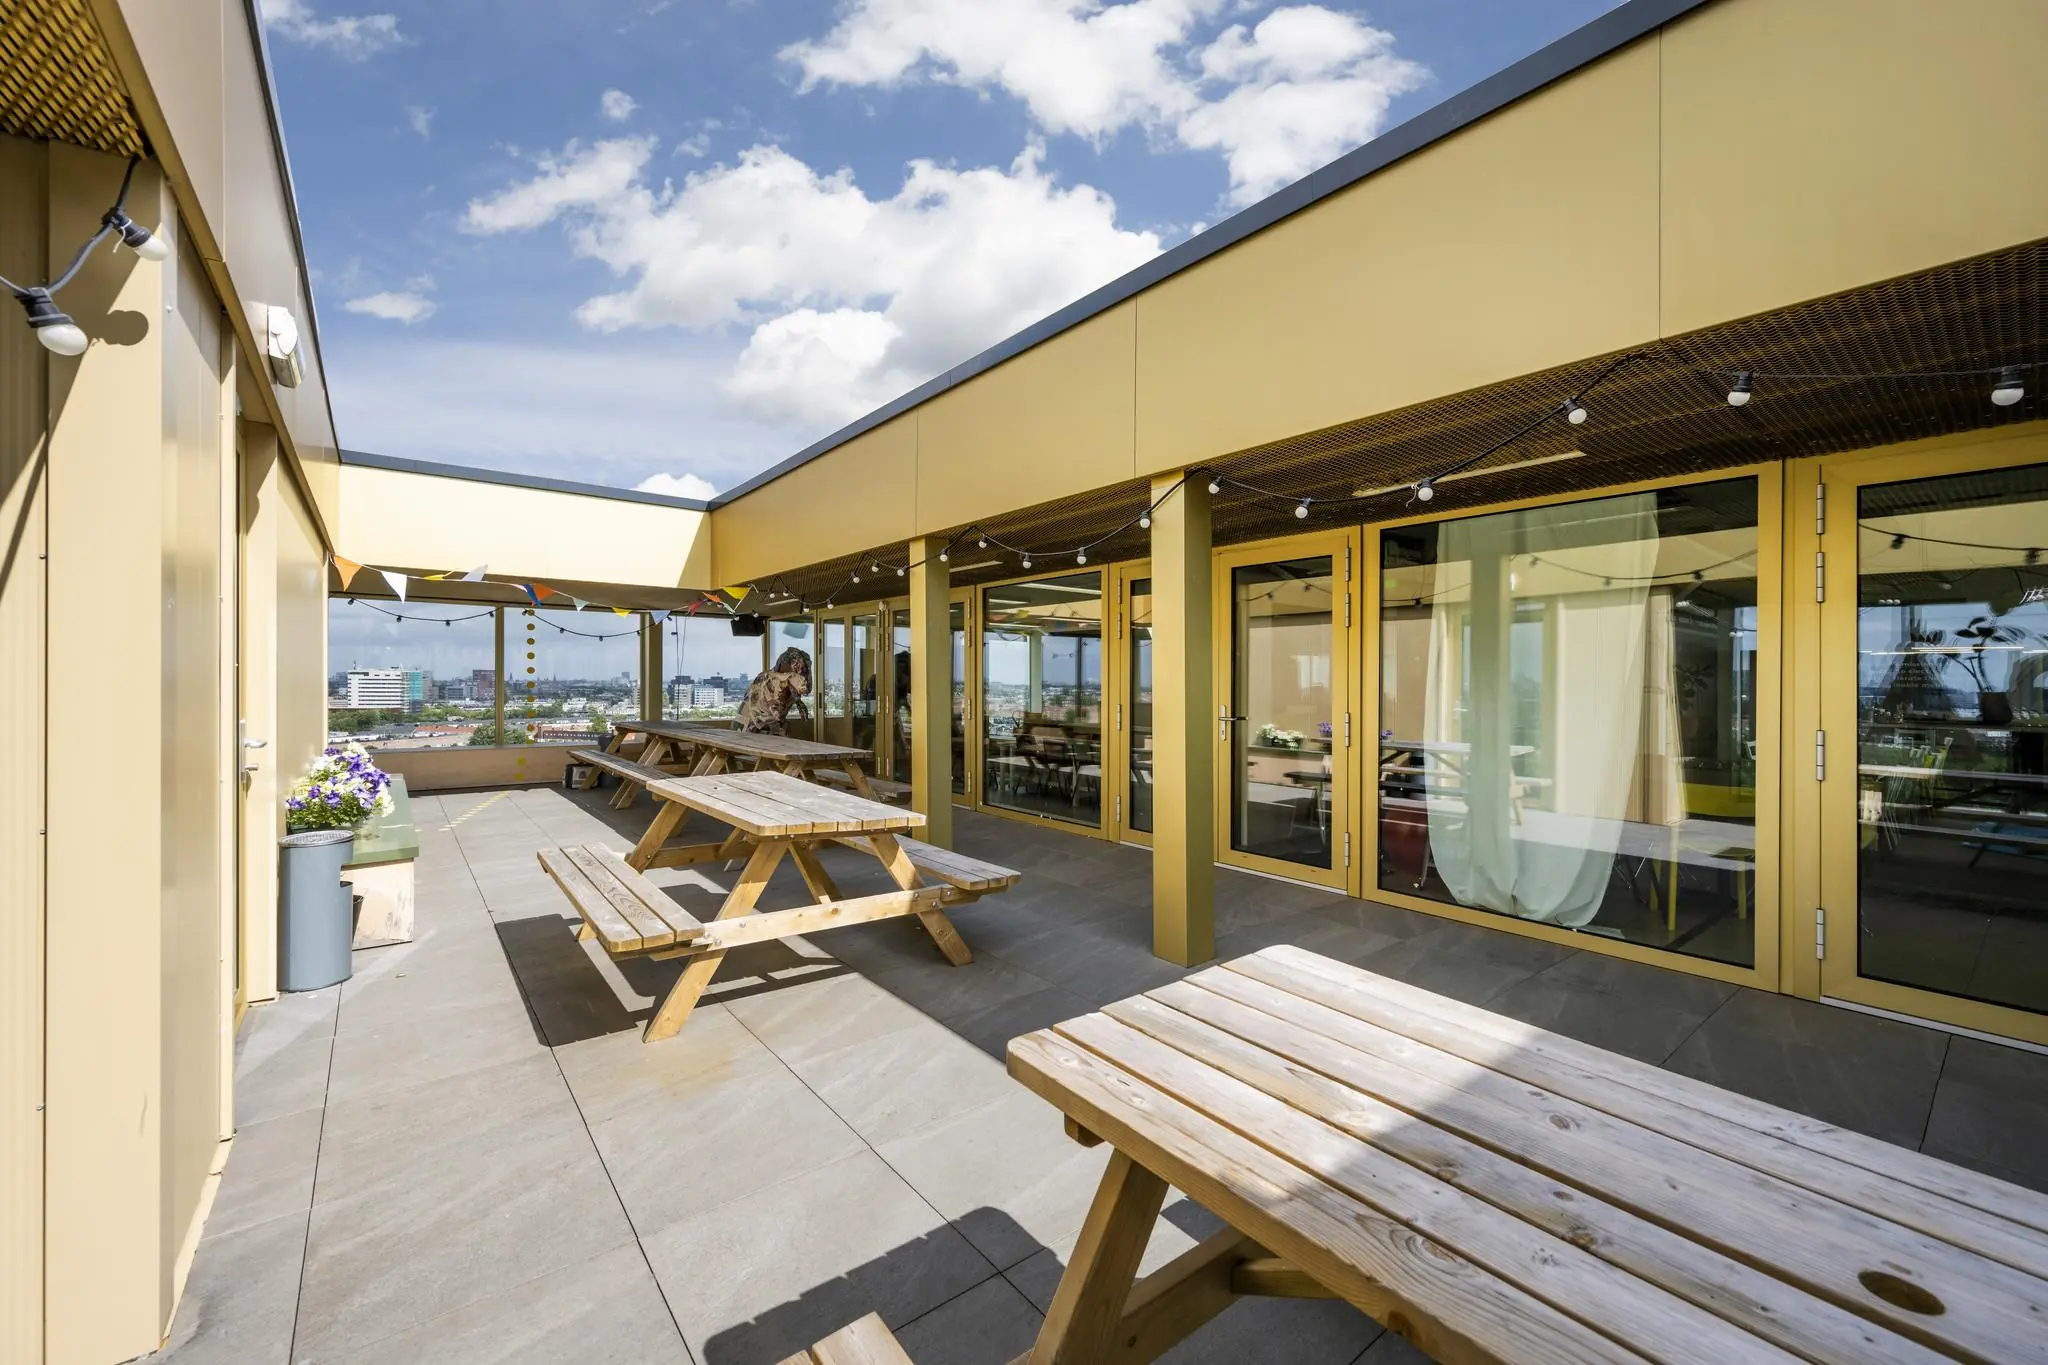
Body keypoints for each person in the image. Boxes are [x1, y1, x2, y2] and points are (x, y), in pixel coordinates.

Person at [737, 647, 813, 734]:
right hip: (748, 728)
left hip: (770, 730)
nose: (803, 680)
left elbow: (804, 690)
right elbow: (769, 717)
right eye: (799, 674)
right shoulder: (764, 681)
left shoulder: (791, 687)